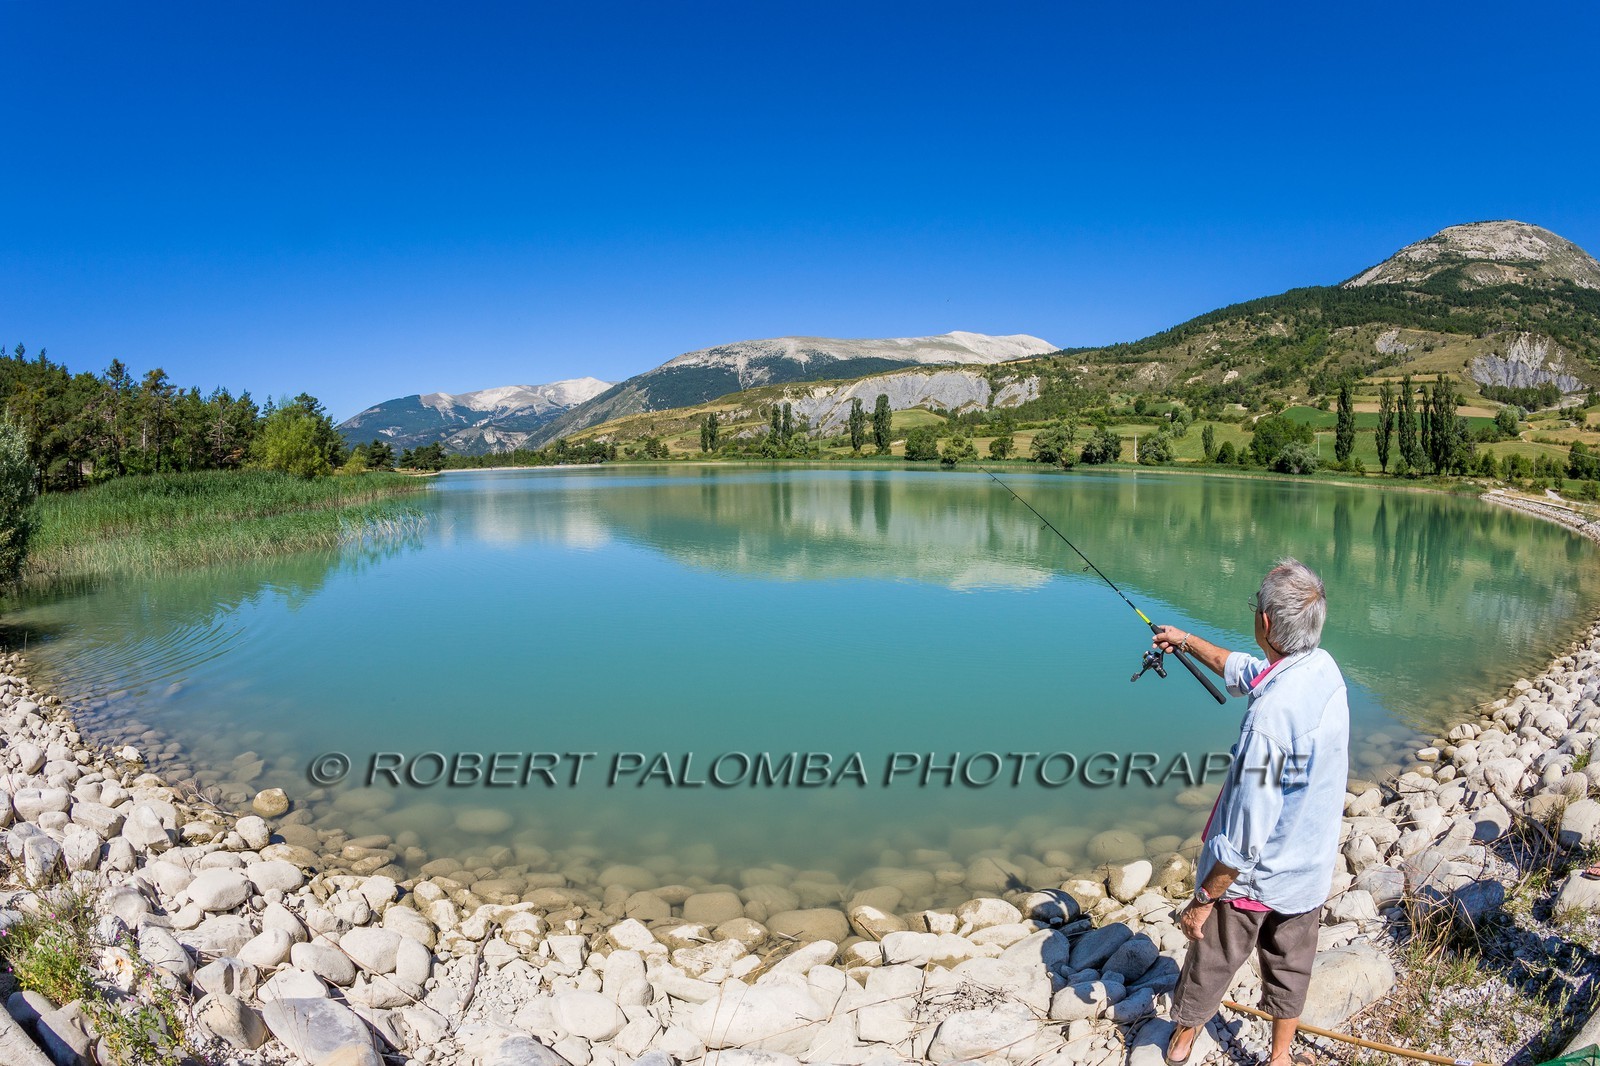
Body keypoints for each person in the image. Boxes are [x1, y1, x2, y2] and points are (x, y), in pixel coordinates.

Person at [1149, 558, 1349, 1066]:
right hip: (1308, 869)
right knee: (1291, 966)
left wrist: (1203, 899)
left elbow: (1243, 838)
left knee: (1210, 959)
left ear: (1264, 622)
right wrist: (1187, 640)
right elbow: (1248, 671)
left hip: (1256, 882)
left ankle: (1184, 1036)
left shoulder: (1270, 719)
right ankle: (1281, 1055)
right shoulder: (1321, 668)